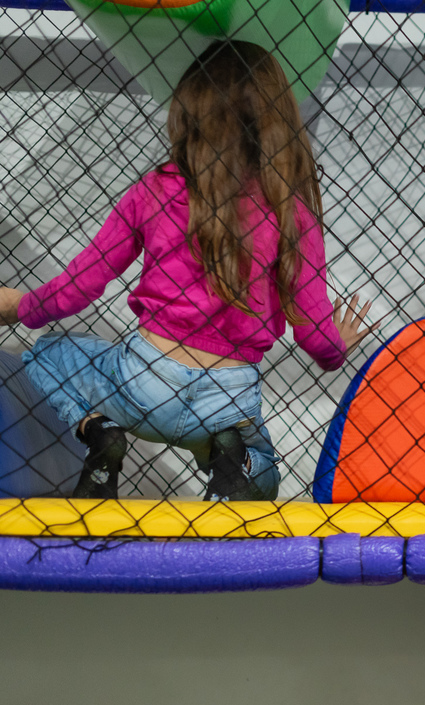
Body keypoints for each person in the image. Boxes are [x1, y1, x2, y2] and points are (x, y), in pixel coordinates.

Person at [0, 41, 375, 501]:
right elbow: (317, 339)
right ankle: (232, 459)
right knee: (267, 479)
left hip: (144, 379)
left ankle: (99, 434)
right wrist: (337, 345)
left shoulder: (155, 190)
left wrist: (19, 304)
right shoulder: (291, 212)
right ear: (278, 123)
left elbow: (79, 288)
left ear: (186, 115)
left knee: (45, 355)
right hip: (227, 400)